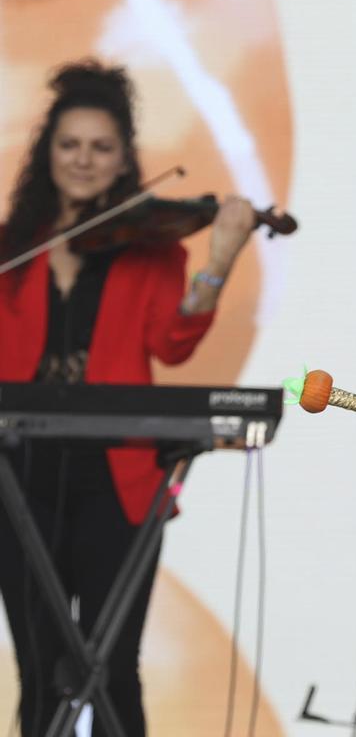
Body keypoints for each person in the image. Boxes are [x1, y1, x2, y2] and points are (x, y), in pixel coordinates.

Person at [0, 60, 256, 736]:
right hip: (17, 477)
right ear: (48, 153)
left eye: (101, 147)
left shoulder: (151, 250)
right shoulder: (13, 250)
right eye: (70, 144)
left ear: (122, 162)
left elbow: (173, 344)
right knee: (39, 669)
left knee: (111, 666)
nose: (83, 160)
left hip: (116, 480)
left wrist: (219, 260)